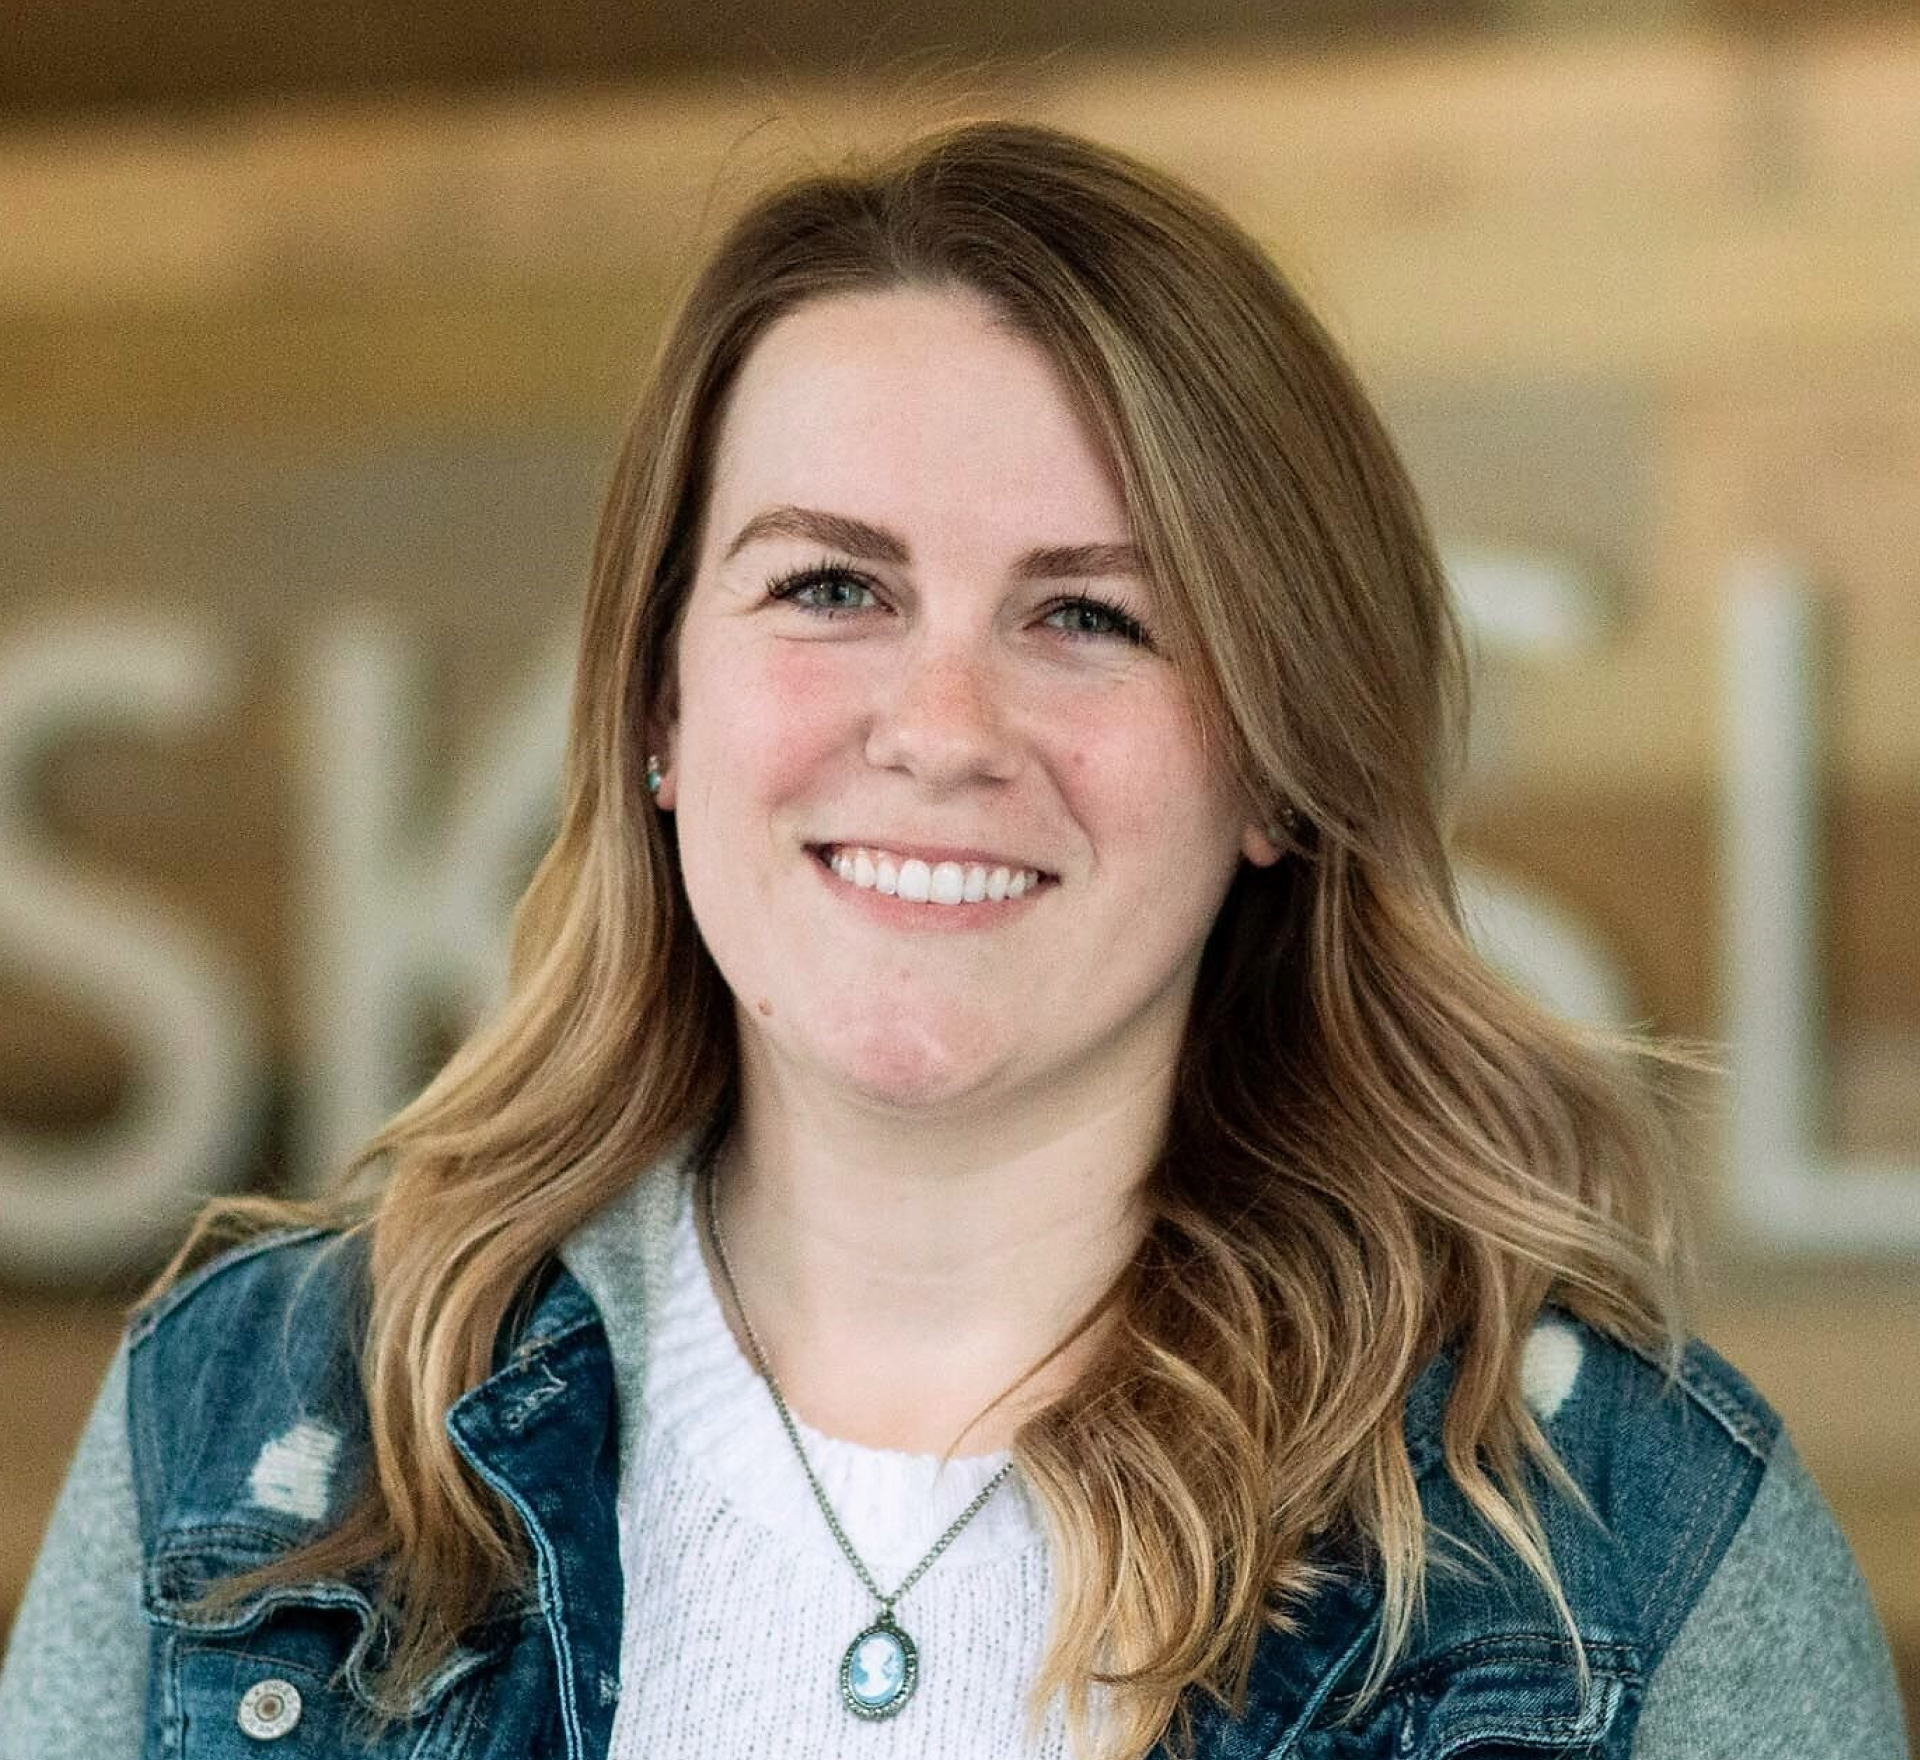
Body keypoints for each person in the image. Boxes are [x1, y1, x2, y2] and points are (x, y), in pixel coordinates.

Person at [0, 119, 1908, 1760]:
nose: (939, 727)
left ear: (1273, 766)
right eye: (830, 584)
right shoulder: (254, 1435)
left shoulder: (1623, 1558)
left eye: (1090, 617)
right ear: (658, 705)